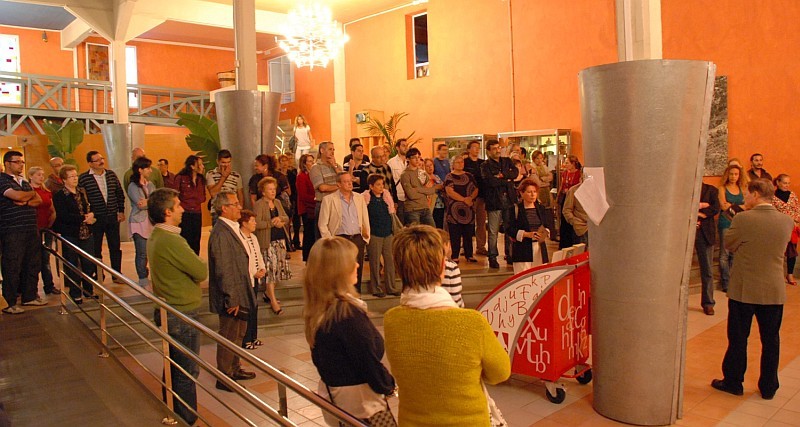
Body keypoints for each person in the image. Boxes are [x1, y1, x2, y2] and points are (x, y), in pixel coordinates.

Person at [384, 225, 511, 425]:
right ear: (442, 267)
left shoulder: (392, 320)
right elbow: (500, 372)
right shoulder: (471, 323)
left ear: (398, 269)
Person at [711, 179, 793, 400]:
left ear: (756, 194)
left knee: (738, 338)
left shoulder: (743, 218)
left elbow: (729, 244)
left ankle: (733, 382)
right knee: (771, 340)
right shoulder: (786, 221)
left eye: (747, 194)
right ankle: (769, 387)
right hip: (773, 290)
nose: (745, 198)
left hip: (744, 290)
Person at [303, 237, 396, 424]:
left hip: (338, 400)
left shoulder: (322, 309)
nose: (357, 265)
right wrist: (389, 385)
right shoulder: (346, 315)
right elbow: (367, 360)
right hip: (362, 406)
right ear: (337, 271)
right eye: (351, 262)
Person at [147, 188, 207, 425]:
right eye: (178, 205)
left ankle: (172, 411)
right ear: (167, 212)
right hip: (181, 313)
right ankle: (186, 419)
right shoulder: (171, 240)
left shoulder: (159, 236)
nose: (183, 209)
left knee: (173, 368)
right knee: (185, 372)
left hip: (170, 309)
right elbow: (200, 270)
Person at [207, 190, 257, 391]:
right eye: (235, 204)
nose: (239, 206)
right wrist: (232, 298)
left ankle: (235, 367)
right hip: (231, 294)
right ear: (224, 208)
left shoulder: (231, 228)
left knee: (239, 333)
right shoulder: (220, 233)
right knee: (229, 334)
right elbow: (224, 268)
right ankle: (225, 376)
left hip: (239, 289)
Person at [1, 151, 45, 313]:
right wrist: (28, 196)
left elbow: (38, 200)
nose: (20, 165)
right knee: (13, 264)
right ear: (7, 163)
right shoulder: (2, 180)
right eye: (17, 162)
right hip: (13, 229)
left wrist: (27, 198)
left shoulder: (24, 181)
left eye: (22, 162)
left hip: (30, 228)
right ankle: (10, 302)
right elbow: (16, 195)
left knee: (32, 263)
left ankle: (29, 296)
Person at [318, 172, 370, 293]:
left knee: (357, 269)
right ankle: (340, 297)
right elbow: (322, 224)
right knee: (340, 270)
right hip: (340, 239)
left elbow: (365, 218)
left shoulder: (359, 197)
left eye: (350, 181)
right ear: (338, 184)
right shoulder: (329, 199)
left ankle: (357, 298)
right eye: (346, 182)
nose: (350, 184)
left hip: (357, 238)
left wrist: (365, 238)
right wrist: (330, 240)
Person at [52, 165, 96, 305]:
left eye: (76, 175)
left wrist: (92, 215)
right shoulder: (60, 195)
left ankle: (89, 290)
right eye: (71, 176)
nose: (75, 179)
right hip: (70, 232)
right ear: (64, 179)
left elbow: (91, 206)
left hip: (86, 231)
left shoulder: (82, 191)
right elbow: (64, 215)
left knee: (88, 262)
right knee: (72, 263)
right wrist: (83, 217)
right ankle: (75, 292)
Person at [79, 150, 126, 281]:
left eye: (102, 158)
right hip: (96, 218)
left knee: (115, 247)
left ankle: (117, 274)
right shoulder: (84, 178)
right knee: (96, 248)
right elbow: (81, 198)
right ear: (90, 163)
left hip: (112, 216)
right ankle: (99, 274)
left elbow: (119, 193)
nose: (101, 161)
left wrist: (120, 211)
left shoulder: (111, 175)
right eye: (97, 160)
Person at [253, 177, 291, 315]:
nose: (273, 192)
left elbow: (285, 217)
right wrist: (272, 222)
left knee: (277, 269)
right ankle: (273, 300)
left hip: (279, 240)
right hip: (267, 241)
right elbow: (256, 224)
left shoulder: (277, 202)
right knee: (270, 269)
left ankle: (269, 294)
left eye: (274, 189)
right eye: (270, 189)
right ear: (263, 192)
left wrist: (280, 219)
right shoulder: (259, 204)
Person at [481, 139, 519, 268]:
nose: (497, 150)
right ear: (488, 151)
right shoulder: (485, 165)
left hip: (509, 200)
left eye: (498, 148)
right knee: (493, 231)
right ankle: (492, 257)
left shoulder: (506, 161)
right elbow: (490, 182)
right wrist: (506, 180)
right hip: (494, 201)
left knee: (510, 229)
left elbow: (515, 173)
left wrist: (502, 176)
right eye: (494, 149)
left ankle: (510, 254)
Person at [362, 174, 399, 298]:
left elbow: (392, 213)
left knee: (390, 261)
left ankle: (391, 287)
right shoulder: (366, 198)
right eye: (378, 184)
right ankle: (376, 288)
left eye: (382, 184)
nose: (381, 187)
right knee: (375, 262)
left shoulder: (386, 197)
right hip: (374, 234)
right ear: (371, 186)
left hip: (388, 232)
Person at [236, 209, 267, 349]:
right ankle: (245, 339)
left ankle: (253, 336)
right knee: (247, 309)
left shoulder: (253, 237)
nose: (255, 223)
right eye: (252, 221)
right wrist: (253, 273)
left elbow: (258, 255)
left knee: (254, 307)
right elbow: (243, 261)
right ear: (244, 223)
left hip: (256, 278)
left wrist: (262, 268)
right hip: (247, 279)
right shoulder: (239, 238)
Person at [508, 180, 552, 274]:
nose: (533, 195)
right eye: (529, 192)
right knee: (523, 278)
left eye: (535, 192)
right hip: (523, 249)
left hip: (539, 248)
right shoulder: (515, 209)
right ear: (521, 193)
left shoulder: (541, 208)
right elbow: (509, 229)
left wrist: (545, 233)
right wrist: (526, 234)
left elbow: (547, 225)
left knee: (539, 277)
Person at [29, 166, 59, 295]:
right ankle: (31, 289)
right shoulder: (28, 191)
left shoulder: (46, 191)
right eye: (38, 175)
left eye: (42, 174)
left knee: (45, 258)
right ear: (31, 176)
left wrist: (49, 224)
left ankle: (49, 285)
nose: (41, 177)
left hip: (46, 228)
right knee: (33, 260)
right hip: (32, 229)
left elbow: (52, 210)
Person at [444, 154, 479, 263]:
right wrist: (464, 199)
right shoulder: (449, 176)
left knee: (468, 233)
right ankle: (455, 255)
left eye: (462, 162)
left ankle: (469, 255)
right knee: (455, 234)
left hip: (468, 209)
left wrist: (470, 198)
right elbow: (450, 191)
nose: (461, 164)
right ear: (453, 164)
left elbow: (476, 189)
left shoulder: (469, 175)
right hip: (455, 210)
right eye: (458, 162)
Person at [127, 156, 156, 287]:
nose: (150, 170)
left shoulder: (150, 185)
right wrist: (150, 202)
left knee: (151, 251)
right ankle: (142, 276)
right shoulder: (132, 186)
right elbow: (140, 204)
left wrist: (149, 202)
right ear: (140, 170)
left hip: (151, 222)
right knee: (141, 252)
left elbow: (156, 201)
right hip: (138, 221)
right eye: (148, 168)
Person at [718, 164, 746, 293]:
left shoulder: (741, 188)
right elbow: (723, 207)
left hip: (739, 224)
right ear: (727, 175)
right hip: (725, 223)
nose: (733, 177)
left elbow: (747, 205)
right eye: (731, 174)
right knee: (725, 254)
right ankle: (726, 282)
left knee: (735, 254)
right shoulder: (722, 188)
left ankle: (734, 281)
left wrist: (732, 205)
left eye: (736, 174)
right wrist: (738, 206)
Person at [171, 155, 206, 255]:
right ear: (192, 166)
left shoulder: (200, 180)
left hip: (197, 212)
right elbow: (175, 195)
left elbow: (202, 197)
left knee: (196, 241)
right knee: (185, 240)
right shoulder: (181, 177)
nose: (202, 167)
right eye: (199, 164)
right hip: (184, 213)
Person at [695, 183, 720, 315]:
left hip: (705, 234)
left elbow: (716, 208)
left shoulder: (711, 190)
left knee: (707, 270)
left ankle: (708, 302)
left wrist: (699, 211)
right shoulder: (683, 188)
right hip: (685, 232)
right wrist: (703, 206)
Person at [772, 174, 800, 286]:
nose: (786, 185)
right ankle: (778, 274)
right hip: (778, 227)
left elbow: (797, 209)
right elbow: (772, 212)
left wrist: (796, 221)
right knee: (779, 252)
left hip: (792, 227)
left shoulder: (792, 195)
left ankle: (790, 274)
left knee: (792, 252)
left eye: (788, 183)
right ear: (778, 182)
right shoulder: (773, 196)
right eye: (784, 183)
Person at [309, 141, 342, 237]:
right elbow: (322, 187)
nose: (332, 152)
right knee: (323, 237)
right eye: (330, 149)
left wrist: (335, 166)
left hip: (337, 203)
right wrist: (339, 186)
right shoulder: (316, 168)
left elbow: (344, 179)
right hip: (323, 204)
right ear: (322, 150)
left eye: (333, 150)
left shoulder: (336, 166)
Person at [399, 148, 436, 226]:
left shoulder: (422, 173)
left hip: (425, 207)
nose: (417, 160)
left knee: (432, 231)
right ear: (408, 159)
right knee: (416, 234)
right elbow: (411, 195)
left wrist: (418, 189)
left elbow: (432, 190)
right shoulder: (405, 175)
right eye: (414, 158)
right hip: (413, 209)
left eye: (418, 157)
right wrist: (425, 191)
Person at [463, 140, 488, 255]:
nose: (477, 149)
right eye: (474, 147)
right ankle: (466, 247)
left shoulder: (483, 163)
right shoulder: (464, 163)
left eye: (478, 147)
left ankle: (481, 246)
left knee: (481, 223)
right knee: (467, 222)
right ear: (468, 149)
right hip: (468, 197)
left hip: (481, 196)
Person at [206, 149, 244, 222]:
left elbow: (240, 196)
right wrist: (224, 177)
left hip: (233, 212)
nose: (226, 165)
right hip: (218, 212)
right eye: (223, 162)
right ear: (218, 161)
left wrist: (240, 211)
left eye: (228, 162)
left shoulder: (236, 176)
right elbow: (213, 193)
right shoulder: (210, 174)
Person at [296, 154, 317, 262]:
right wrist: (316, 198)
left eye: (312, 161)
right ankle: (307, 257)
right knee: (308, 234)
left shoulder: (313, 175)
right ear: (304, 164)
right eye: (309, 161)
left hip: (314, 207)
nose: (312, 163)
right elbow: (303, 195)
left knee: (314, 234)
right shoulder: (301, 177)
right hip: (307, 208)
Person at [558, 154, 582, 249]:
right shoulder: (565, 173)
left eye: (567, 163)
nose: (565, 164)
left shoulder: (578, 173)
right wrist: (559, 196)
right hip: (565, 197)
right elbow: (562, 185)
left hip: (574, 199)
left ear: (573, 164)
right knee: (564, 221)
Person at [278, 154, 302, 250]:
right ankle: (287, 243)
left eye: (286, 161)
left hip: (292, 199)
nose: (284, 163)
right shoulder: (278, 175)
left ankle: (294, 242)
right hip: (281, 200)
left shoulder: (292, 173)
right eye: (282, 161)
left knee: (293, 221)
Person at [437, 229, 465, 308]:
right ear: (447, 245)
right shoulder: (451, 267)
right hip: (450, 308)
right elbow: (455, 296)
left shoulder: (423, 264)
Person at [386, 138, 409, 221]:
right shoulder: (391, 163)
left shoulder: (410, 162)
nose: (406, 148)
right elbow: (389, 182)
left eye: (407, 146)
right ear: (397, 148)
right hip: (399, 197)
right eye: (403, 145)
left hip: (410, 198)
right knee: (400, 222)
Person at [563, 181, 589, 246]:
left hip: (596, 228)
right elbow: (566, 209)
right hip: (581, 228)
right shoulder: (574, 190)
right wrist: (574, 221)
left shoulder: (599, 189)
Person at [424, 158, 446, 228]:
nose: (430, 167)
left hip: (440, 204)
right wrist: (436, 187)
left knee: (439, 225)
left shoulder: (436, 176)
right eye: (427, 166)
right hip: (430, 204)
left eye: (431, 165)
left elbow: (442, 186)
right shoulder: (424, 177)